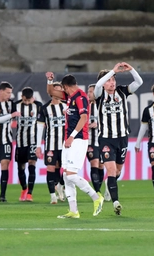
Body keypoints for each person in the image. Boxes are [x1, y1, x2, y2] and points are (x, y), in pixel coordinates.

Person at [46, 72, 104, 219]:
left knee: (71, 175)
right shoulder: (70, 96)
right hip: (69, 140)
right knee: (66, 175)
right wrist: (50, 80)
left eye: (63, 88)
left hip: (78, 139)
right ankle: (74, 211)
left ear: (66, 87)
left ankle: (96, 197)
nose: (62, 92)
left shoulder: (81, 97)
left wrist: (71, 137)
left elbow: (84, 117)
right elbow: (51, 91)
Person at [94, 62, 143, 215]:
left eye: (114, 79)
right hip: (106, 139)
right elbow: (98, 85)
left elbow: (139, 82)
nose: (112, 82)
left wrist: (132, 70)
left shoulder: (122, 92)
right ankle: (116, 202)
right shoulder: (99, 94)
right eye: (109, 80)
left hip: (122, 137)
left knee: (118, 171)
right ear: (104, 83)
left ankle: (110, 187)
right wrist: (112, 71)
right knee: (111, 169)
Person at [36, 82, 66, 204]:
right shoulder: (44, 108)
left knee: (65, 170)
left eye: (61, 91)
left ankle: (60, 185)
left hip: (65, 145)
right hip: (51, 144)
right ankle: (53, 196)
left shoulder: (66, 107)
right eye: (56, 91)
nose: (59, 93)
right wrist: (38, 146)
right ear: (52, 92)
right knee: (51, 168)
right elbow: (39, 127)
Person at [15, 87, 42, 202]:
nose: (26, 103)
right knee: (21, 167)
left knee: (32, 163)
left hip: (33, 140)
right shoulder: (15, 105)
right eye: (25, 100)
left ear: (33, 98)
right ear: (21, 97)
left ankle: (30, 193)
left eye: (29, 100)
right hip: (20, 141)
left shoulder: (38, 106)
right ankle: (24, 188)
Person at [87, 84, 104, 194]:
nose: (89, 94)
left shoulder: (102, 106)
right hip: (89, 141)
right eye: (88, 91)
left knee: (101, 166)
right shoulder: (84, 106)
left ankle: (99, 189)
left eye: (92, 91)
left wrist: (98, 123)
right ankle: (97, 192)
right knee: (94, 163)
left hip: (102, 141)